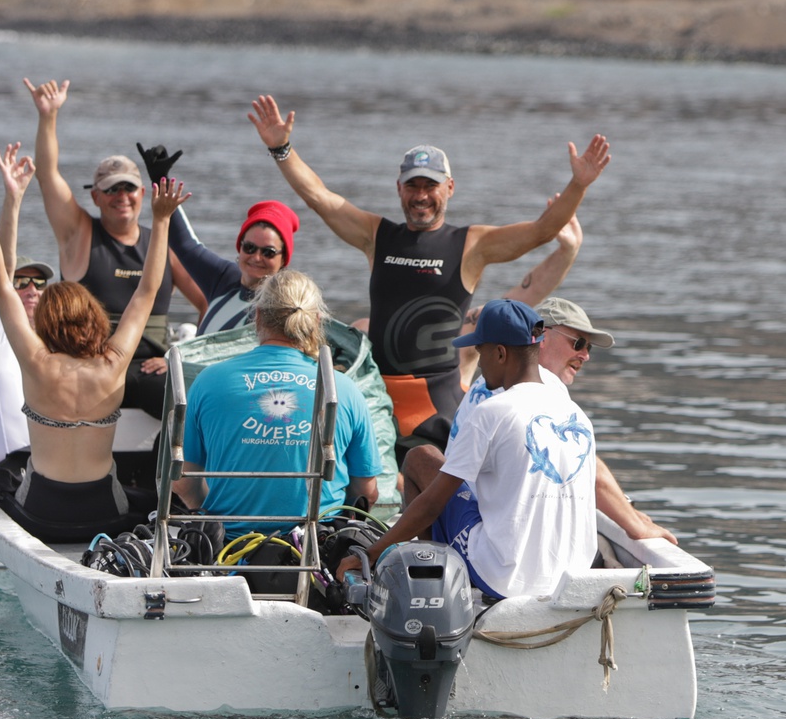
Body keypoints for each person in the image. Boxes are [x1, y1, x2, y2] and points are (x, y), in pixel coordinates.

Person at [246, 93, 611, 436]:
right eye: (413, 186)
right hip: (378, 397)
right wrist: (281, 148)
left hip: (438, 403)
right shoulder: (377, 235)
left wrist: (578, 185)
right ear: (399, 188)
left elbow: (543, 230)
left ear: (449, 187)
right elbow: (320, 198)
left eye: (430, 186)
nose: (421, 196)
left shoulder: (472, 244)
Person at [0, 152, 189, 544]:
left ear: (46, 321)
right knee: (157, 503)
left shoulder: (36, 362)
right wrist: (161, 220)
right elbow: (146, 292)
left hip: (41, 515)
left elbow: (1, 285)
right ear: (94, 318)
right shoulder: (113, 363)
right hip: (104, 514)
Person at [346, 300, 596, 601]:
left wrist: (370, 554)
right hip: (572, 579)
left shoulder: (492, 411)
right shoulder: (577, 415)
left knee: (419, 458)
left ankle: (431, 581)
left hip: (504, 579)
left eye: (481, 352)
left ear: (500, 353)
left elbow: (431, 505)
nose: (479, 363)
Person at [404, 294, 677, 546]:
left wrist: (628, 510)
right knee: (419, 458)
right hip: (489, 530)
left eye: (589, 346)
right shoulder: (518, 388)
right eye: (578, 342)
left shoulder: (507, 380)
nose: (585, 355)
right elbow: (592, 473)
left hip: (499, 522)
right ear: (542, 336)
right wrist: (637, 528)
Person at [24, 78, 204, 414]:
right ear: (94, 196)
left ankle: (168, 467)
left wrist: (181, 358)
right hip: (92, 371)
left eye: (129, 188)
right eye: (111, 190)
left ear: (143, 193)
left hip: (150, 370)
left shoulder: (162, 244)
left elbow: (211, 303)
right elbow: (47, 175)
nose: (121, 197)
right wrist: (48, 117)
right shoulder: (78, 234)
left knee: (190, 401)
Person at [174, 271, 382, 542]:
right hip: (316, 550)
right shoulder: (343, 388)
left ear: (258, 316)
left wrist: (206, 517)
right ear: (317, 322)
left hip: (229, 547)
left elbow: (182, 482)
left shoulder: (209, 380)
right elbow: (367, 490)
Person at [0, 145, 57, 504]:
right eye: (22, 282)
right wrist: (11, 201)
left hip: (37, 473)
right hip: (1, 478)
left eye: (39, 282)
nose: (31, 289)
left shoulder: (41, 342)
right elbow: (1, 269)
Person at [170, 197, 301, 335]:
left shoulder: (283, 310)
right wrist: (161, 179)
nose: (256, 257)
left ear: (283, 259)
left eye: (268, 252)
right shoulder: (225, 278)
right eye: (249, 248)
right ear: (240, 247)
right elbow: (184, 245)